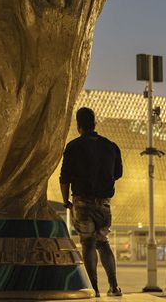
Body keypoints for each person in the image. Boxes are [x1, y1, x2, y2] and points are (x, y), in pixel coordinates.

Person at [60, 107, 123, 297]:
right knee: (103, 243)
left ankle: (93, 289)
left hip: (82, 203)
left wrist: (65, 202)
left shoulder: (73, 147)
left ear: (78, 126)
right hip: (104, 204)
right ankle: (114, 286)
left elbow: (64, 178)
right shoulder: (111, 146)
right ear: (95, 124)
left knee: (87, 243)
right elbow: (118, 174)